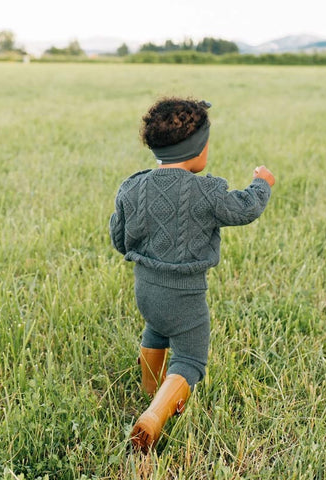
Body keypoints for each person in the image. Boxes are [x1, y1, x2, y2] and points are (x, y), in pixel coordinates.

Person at [109, 97, 275, 454]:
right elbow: (245, 208)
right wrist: (262, 183)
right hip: (184, 295)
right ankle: (153, 417)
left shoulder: (131, 187)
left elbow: (119, 238)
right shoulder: (207, 190)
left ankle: (150, 391)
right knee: (190, 358)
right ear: (198, 148)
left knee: (157, 329)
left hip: (145, 288)